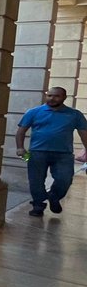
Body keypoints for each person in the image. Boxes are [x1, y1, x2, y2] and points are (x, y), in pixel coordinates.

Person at [15, 86, 87, 217]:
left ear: (64, 97)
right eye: (49, 95)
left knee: (65, 179)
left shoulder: (75, 115)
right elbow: (21, 131)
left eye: (56, 96)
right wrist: (20, 148)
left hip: (64, 154)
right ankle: (38, 205)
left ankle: (54, 196)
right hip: (37, 153)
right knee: (36, 180)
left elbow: (84, 134)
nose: (52, 98)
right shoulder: (33, 112)